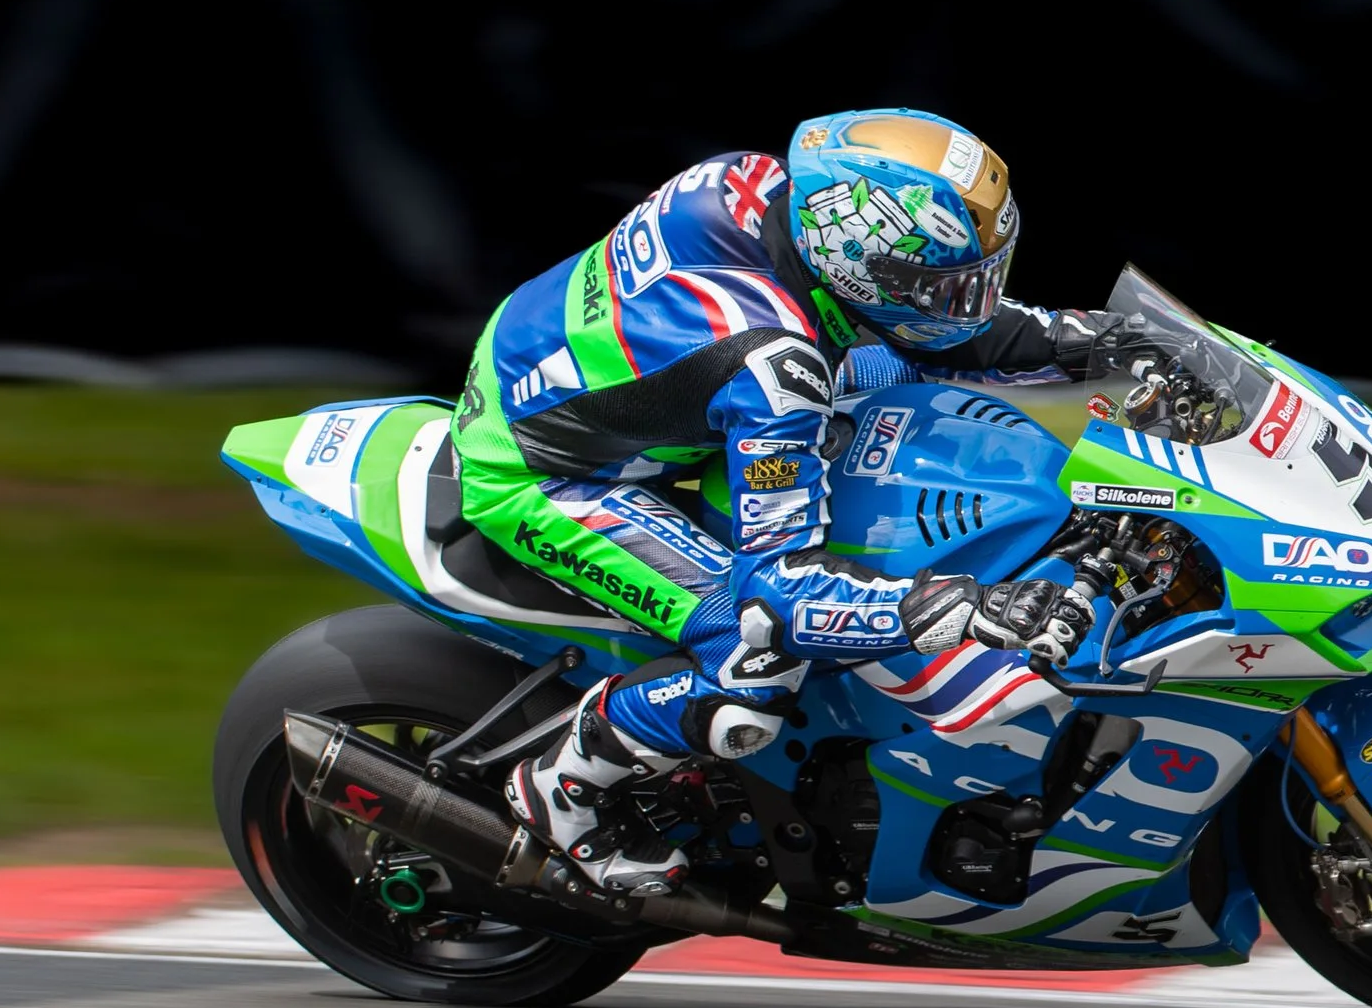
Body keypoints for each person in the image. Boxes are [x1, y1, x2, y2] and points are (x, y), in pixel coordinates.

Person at [450, 108, 1155, 894]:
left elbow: (928, 335)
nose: (970, 303)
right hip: (542, 470)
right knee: (752, 665)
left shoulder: (772, 187)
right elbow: (779, 597)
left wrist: (1088, 340)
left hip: (566, 364)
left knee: (893, 374)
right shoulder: (775, 369)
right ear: (859, 267)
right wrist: (962, 605)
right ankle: (564, 789)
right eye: (947, 287)